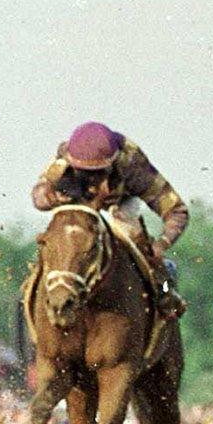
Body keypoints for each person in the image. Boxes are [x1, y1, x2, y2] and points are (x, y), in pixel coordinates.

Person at [31, 121, 188, 318]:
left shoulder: (132, 163)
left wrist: (161, 244)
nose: (94, 180)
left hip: (119, 205)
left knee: (142, 246)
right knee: (58, 244)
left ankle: (166, 287)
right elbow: (38, 196)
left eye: (98, 173)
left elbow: (176, 210)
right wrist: (51, 196)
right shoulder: (63, 159)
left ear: (113, 163)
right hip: (79, 206)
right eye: (86, 173)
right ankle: (29, 296)